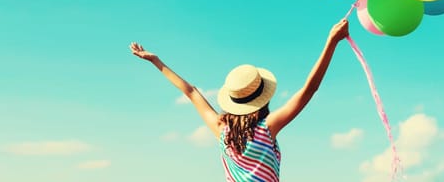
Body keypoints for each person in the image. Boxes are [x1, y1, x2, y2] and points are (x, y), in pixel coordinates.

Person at [129, 18, 350, 182]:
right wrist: (332, 41)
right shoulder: (268, 127)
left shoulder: (221, 130)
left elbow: (191, 92)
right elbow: (309, 90)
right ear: (263, 98)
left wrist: (156, 62)